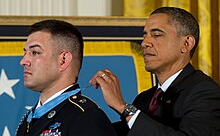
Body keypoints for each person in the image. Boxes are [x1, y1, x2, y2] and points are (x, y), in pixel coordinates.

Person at [89, 7, 220, 136]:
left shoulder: (205, 92)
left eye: (156, 35)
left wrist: (123, 108)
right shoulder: (145, 98)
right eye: (144, 36)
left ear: (186, 44)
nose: (144, 43)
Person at [16, 19, 117, 136]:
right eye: (25, 53)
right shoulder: (28, 120)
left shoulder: (85, 117)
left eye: (35, 52)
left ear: (63, 60)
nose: (23, 61)